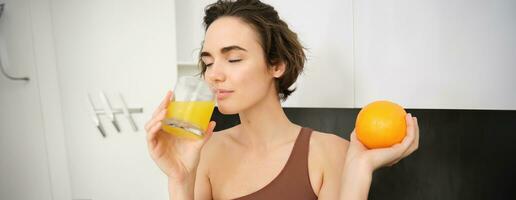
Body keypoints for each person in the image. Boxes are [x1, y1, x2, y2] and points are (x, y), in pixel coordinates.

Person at [144, 0, 419, 199]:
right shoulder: (202, 150)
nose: (214, 74)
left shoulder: (331, 152)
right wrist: (179, 181)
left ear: (276, 65)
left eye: (233, 58)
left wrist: (360, 168)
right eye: (208, 62)